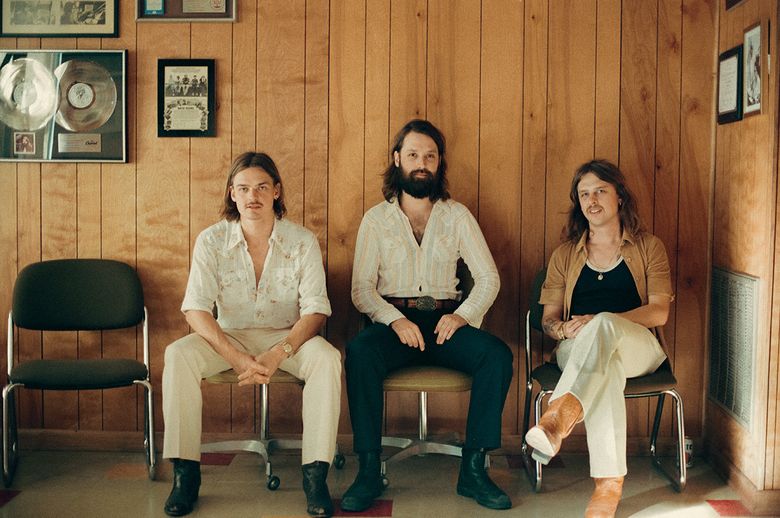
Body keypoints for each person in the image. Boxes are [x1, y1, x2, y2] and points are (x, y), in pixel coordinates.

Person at [343, 119, 514, 511]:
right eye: (413, 155)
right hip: (395, 323)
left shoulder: (457, 216)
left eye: (430, 156)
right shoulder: (376, 219)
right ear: (397, 159)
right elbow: (361, 289)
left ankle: (474, 470)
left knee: (497, 356)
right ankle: (368, 470)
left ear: (439, 163)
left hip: (445, 323)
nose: (421, 163)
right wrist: (394, 320)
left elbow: (488, 278)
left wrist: (463, 316)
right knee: (360, 352)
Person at [161, 152, 342, 517]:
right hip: (229, 336)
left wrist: (280, 352)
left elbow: (316, 310)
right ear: (232, 194)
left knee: (328, 359)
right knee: (178, 354)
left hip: (288, 337)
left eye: (261, 187)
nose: (252, 196)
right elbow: (195, 308)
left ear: (277, 191)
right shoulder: (211, 240)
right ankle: (185, 477)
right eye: (243, 188)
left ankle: (315, 478)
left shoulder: (302, 240)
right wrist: (234, 357)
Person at [525, 159, 673, 518]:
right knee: (606, 371)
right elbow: (548, 320)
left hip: (639, 346)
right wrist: (563, 330)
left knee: (605, 326)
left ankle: (558, 418)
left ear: (619, 196)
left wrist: (604, 321)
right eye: (584, 194)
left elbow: (659, 312)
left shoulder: (649, 247)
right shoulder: (565, 254)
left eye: (600, 191)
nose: (592, 201)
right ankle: (608, 486)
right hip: (575, 349)